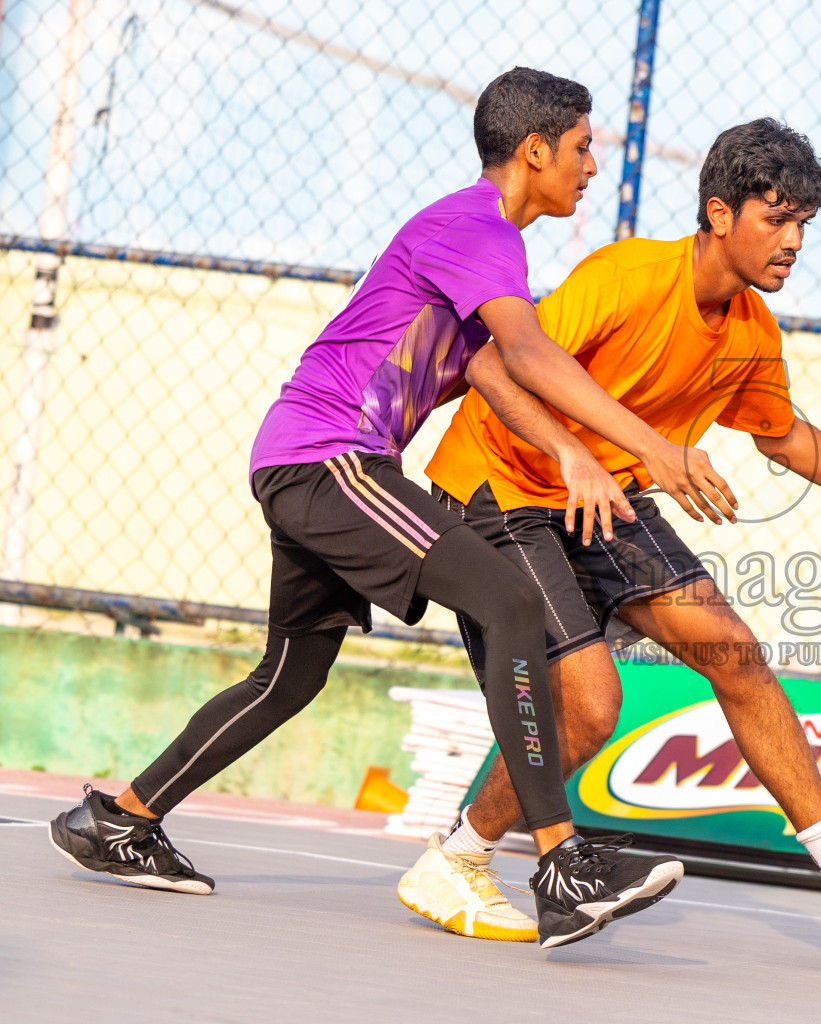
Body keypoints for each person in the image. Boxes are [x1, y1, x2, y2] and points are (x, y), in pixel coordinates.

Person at [47, 68, 736, 950]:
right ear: (535, 150)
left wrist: (568, 451)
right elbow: (525, 347)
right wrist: (652, 447)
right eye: (582, 147)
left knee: (289, 676)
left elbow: (494, 370)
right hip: (331, 457)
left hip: (306, 458)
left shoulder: (480, 251)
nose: (593, 167)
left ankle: (118, 820)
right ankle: (563, 863)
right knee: (513, 600)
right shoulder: (473, 226)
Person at [398, 118, 821, 959]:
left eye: (804, 225)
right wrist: (607, 452)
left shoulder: (751, 333)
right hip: (500, 487)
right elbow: (499, 363)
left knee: (734, 651)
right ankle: (458, 858)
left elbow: (786, 440)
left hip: (608, 495)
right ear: (718, 214)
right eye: (775, 220)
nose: (793, 243)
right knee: (592, 704)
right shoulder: (627, 277)